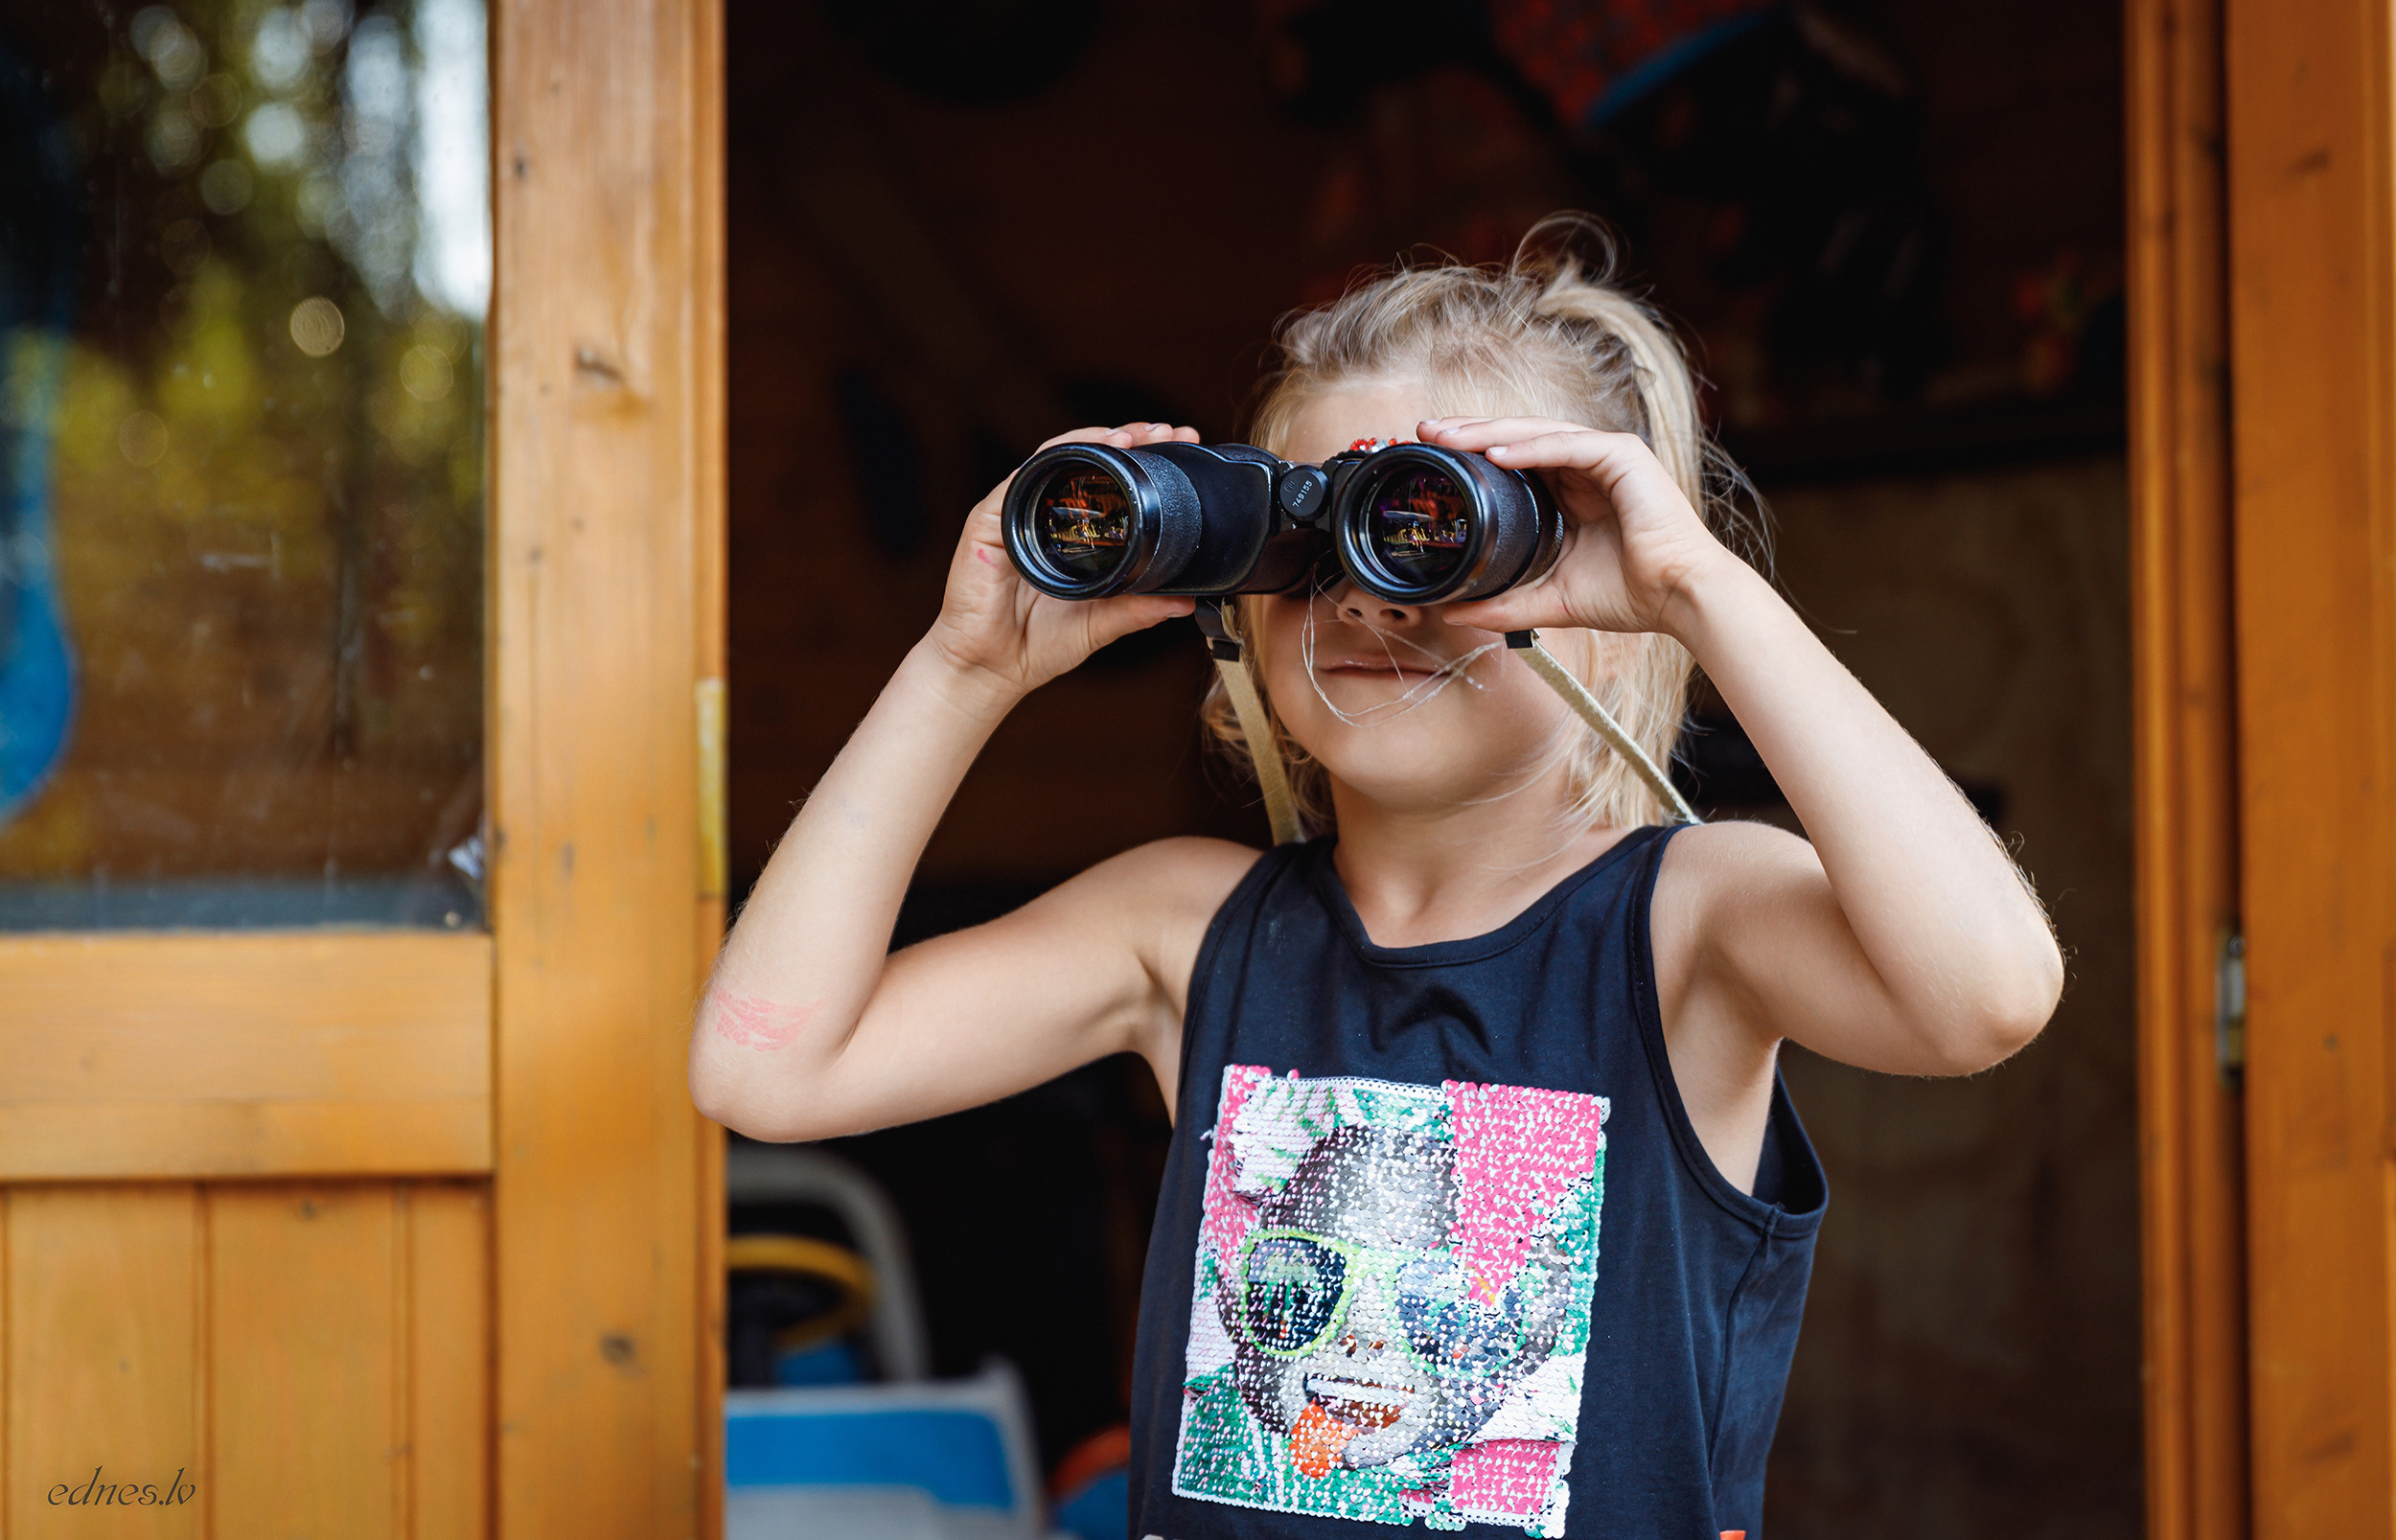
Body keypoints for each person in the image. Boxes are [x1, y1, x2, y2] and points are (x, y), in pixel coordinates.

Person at [688, 217, 2062, 1540]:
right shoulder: (1182, 928)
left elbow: (1985, 995)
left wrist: (1698, 587)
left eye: (1431, 531)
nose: (1364, 593)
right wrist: (962, 667)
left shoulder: (1690, 921)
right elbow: (769, 1069)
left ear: (1598, 595)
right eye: (1309, 535)